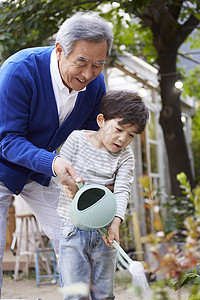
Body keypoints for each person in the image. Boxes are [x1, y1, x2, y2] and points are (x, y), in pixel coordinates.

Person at [0, 11, 113, 297]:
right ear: (60, 50)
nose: (88, 74)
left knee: (74, 234)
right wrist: (55, 162)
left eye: (99, 64)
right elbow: (9, 140)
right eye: (82, 62)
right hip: (7, 161)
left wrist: (96, 180)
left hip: (40, 169)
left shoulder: (94, 86)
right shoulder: (19, 71)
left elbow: (88, 140)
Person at [57, 90, 149, 300]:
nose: (123, 138)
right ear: (101, 120)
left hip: (106, 232)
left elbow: (122, 189)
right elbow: (61, 176)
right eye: (119, 129)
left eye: (131, 135)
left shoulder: (125, 156)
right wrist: (70, 187)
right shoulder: (76, 139)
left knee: (104, 294)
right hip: (73, 228)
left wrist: (115, 223)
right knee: (75, 294)